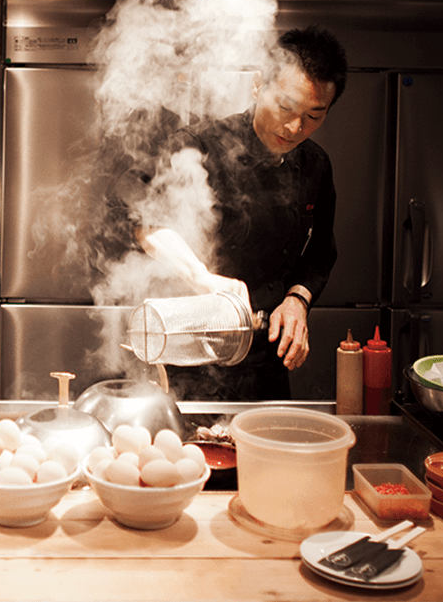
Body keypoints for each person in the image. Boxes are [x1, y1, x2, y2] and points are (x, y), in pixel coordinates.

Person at [137, 25, 348, 401]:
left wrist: (297, 300)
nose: (294, 126)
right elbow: (142, 219)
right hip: (191, 355)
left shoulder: (316, 164)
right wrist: (201, 277)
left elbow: (319, 254)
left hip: (267, 360)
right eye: (285, 106)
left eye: (313, 116)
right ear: (258, 86)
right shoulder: (198, 147)